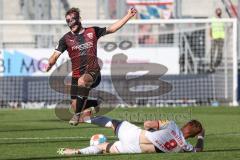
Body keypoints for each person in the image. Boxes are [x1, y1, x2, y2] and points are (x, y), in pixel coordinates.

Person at [46, 7, 137, 126]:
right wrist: (50, 63)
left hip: (93, 72)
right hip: (76, 74)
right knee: (74, 105)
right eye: (68, 20)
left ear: (79, 19)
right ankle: (97, 102)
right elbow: (54, 56)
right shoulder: (65, 39)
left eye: (73, 19)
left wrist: (128, 16)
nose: (71, 22)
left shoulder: (92, 31)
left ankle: (77, 115)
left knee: (82, 82)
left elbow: (112, 29)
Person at [57, 116, 205, 155]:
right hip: (136, 149)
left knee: (113, 123)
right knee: (103, 147)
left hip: (136, 135)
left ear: (186, 125)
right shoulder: (185, 146)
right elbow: (198, 151)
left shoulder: (172, 124)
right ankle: (76, 152)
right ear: (192, 136)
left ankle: (83, 119)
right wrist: (201, 137)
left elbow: (148, 124)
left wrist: (154, 131)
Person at [209, 8, 225, 73]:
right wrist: (210, 36)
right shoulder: (213, 19)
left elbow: (224, 28)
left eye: (220, 12)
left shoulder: (223, 20)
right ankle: (211, 67)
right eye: (218, 12)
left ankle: (215, 65)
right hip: (214, 38)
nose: (219, 14)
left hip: (221, 38)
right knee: (212, 52)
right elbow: (210, 28)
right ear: (216, 13)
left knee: (220, 53)